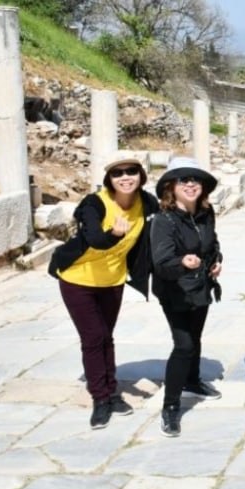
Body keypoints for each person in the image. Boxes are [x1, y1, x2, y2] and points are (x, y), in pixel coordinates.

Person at [48, 153, 159, 430]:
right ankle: (100, 398)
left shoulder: (146, 202)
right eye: (117, 173)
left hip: (113, 280)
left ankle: (110, 391)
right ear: (108, 179)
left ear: (140, 175)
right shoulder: (94, 203)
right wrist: (114, 235)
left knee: (106, 337)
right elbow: (95, 239)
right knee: (93, 337)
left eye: (131, 171)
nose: (125, 177)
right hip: (78, 279)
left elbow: (163, 223)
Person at [150, 157, 222, 438]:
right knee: (183, 345)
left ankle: (192, 380)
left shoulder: (206, 213)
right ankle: (171, 406)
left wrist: (216, 259)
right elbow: (162, 261)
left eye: (196, 179)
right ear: (171, 186)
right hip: (174, 290)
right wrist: (184, 262)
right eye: (184, 180)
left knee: (196, 337)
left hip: (200, 286)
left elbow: (211, 243)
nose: (191, 184)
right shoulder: (163, 220)